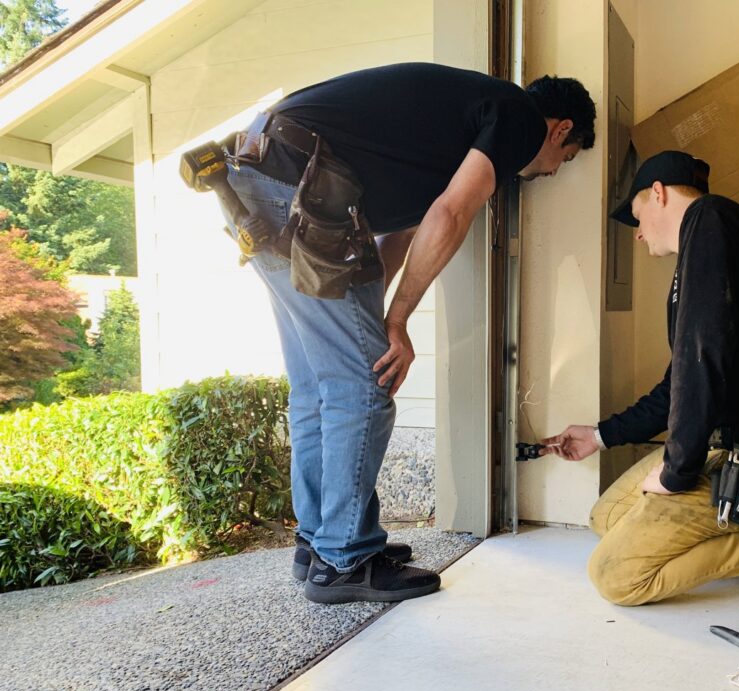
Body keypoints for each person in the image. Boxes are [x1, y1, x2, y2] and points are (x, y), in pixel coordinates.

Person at [216, 63, 596, 604]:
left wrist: (378, 316)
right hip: (297, 185)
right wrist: (395, 322)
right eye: (567, 155)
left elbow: (403, 233)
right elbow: (452, 213)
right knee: (365, 384)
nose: (555, 169)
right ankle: (344, 560)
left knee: (320, 385)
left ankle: (319, 542)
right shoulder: (519, 118)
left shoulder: (450, 134)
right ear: (559, 129)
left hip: (261, 176)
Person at [543, 150, 739, 606]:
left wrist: (676, 472)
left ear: (658, 194)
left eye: (637, 218)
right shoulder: (705, 243)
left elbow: (700, 360)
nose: (637, 236)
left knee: (615, 577)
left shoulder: (711, 219)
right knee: (607, 517)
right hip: (727, 446)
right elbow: (681, 379)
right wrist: (599, 435)